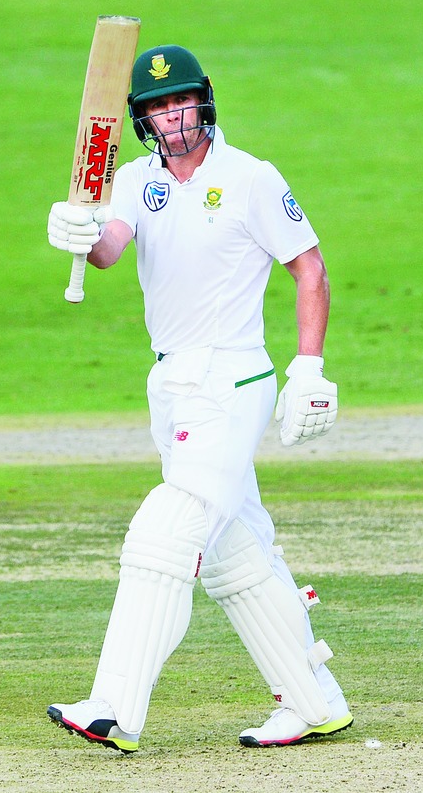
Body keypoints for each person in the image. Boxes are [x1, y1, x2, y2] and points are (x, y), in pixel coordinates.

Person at [46, 44, 353, 754]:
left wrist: (309, 369)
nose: (173, 116)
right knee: (234, 554)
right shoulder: (133, 180)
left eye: (181, 101)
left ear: (204, 100)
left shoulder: (251, 178)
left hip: (232, 378)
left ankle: (113, 707)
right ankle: (314, 702)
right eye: (158, 107)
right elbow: (110, 248)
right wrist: (79, 231)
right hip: (172, 383)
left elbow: (310, 267)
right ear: (143, 119)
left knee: (165, 535)